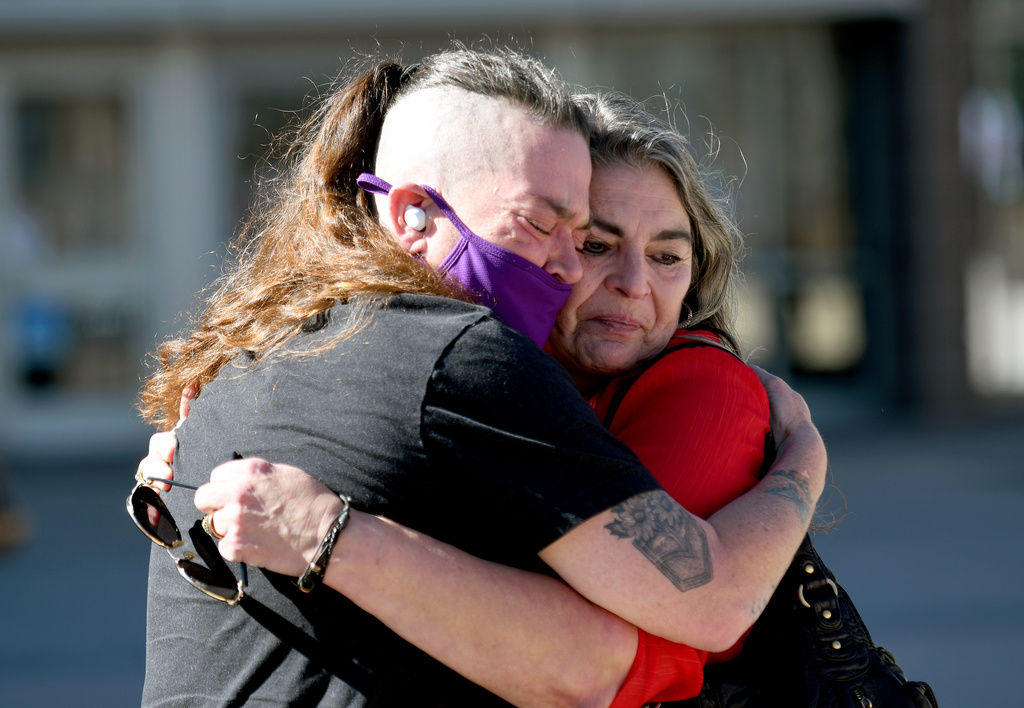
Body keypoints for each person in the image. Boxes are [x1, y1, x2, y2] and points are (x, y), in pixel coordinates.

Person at [135, 47, 826, 707]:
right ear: (411, 213)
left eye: (667, 255)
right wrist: (804, 459)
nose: (567, 267)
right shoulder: (465, 356)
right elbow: (616, 656)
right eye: (571, 236)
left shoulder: (269, 341)